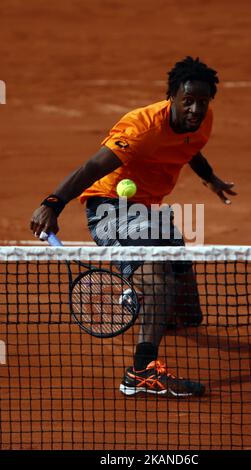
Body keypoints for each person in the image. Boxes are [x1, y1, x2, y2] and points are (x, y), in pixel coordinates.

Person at [30, 56, 237, 398]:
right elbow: (91, 166)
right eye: (188, 102)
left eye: (202, 102)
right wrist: (52, 203)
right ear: (172, 97)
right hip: (112, 207)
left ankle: (140, 298)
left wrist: (210, 179)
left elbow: (190, 148)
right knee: (159, 282)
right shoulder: (141, 128)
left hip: (149, 210)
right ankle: (140, 372)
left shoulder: (202, 122)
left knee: (186, 312)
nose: (195, 109)